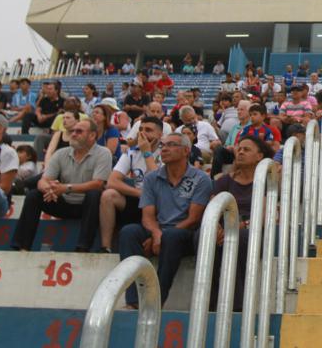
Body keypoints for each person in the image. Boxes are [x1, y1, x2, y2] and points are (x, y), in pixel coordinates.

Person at [118, 133, 212, 308]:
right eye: (163, 145)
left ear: (186, 151)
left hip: (185, 235)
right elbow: (147, 215)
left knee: (173, 236)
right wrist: (156, 233)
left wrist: (162, 236)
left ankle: (155, 302)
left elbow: (193, 219)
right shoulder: (152, 178)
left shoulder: (201, 179)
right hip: (159, 230)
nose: (165, 149)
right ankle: (132, 301)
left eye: (171, 145)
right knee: (128, 232)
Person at [11, 119, 111, 251]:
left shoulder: (103, 153)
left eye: (79, 131)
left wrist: (65, 188)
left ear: (92, 135)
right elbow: (43, 180)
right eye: (72, 131)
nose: (73, 134)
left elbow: (98, 184)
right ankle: (22, 247)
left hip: (88, 208)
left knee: (94, 194)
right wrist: (48, 189)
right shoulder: (61, 153)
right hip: (63, 203)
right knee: (34, 195)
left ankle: (83, 248)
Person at [201, 135, 276, 311]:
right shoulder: (224, 181)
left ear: (259, 156)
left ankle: (237, 305)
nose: (240, 151)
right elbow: (212, 207)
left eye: (246, 149)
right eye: (239, 148)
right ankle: (207, 302)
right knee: (203, 238)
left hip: (250, 229)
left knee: (239, 238)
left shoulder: (266, 182)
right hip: (223, 228)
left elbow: (263, 216)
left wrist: (234, 228)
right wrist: (217, 228)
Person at [99, 116, 163, 254]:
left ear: (160, 134)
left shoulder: (166, 152)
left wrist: (147, 152)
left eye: (148, 130)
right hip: (139, 198)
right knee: (108, 195)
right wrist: (140, 193)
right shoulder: (133, 152)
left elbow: (157, 183)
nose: (143, 134)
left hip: (159, 203)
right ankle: (106, 247)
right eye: (140, 129)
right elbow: (112, 181)